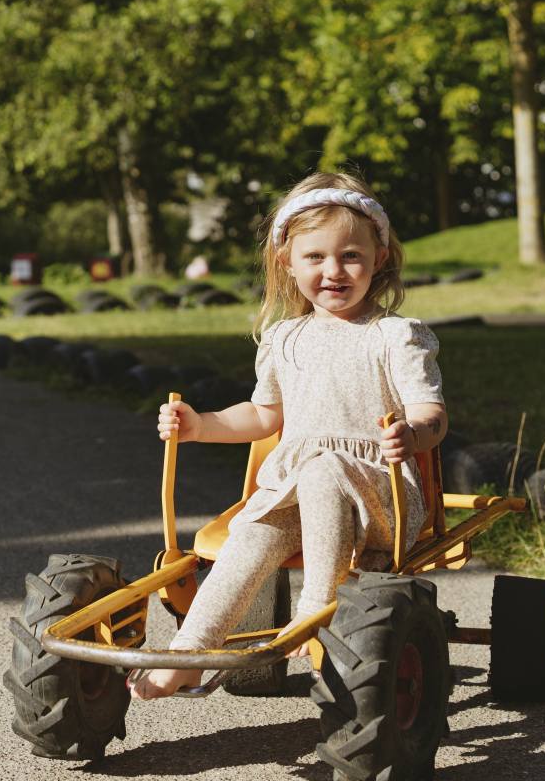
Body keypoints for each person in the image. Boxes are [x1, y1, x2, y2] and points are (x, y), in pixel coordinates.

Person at [129, 171, 448, 700]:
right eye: (315, 257)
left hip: (377, 497)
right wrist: (201, 426)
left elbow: (432, 414)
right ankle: (189, 652)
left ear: (379, 258)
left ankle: (317, 609)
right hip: (294, 494)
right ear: (287, 262)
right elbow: (262, 416)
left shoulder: (395, 336)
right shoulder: (284, 338)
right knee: (249, 537)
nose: (333, 270)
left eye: (350, 256)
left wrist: (412, 434)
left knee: (323, 469)